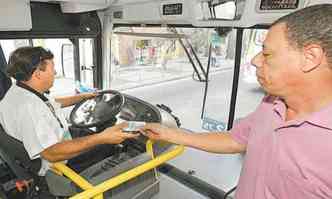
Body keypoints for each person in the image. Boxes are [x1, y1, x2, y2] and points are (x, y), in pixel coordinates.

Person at [141, 4, 332, 199]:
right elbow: (236, 140)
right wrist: (170, 134)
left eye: (267, 54)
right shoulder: (272, 102)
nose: (255, 60)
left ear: (310, 57)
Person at [0, 46, 138, 177]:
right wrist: (101, 137)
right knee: (108, 145)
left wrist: (81, 97)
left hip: (58, 138)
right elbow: (51, 153)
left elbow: (50, 104)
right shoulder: (29, 107)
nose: (55, 72)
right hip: (58, 163)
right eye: (52, 68)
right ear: (37, 74)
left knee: (90, 134)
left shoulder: (18, 91)